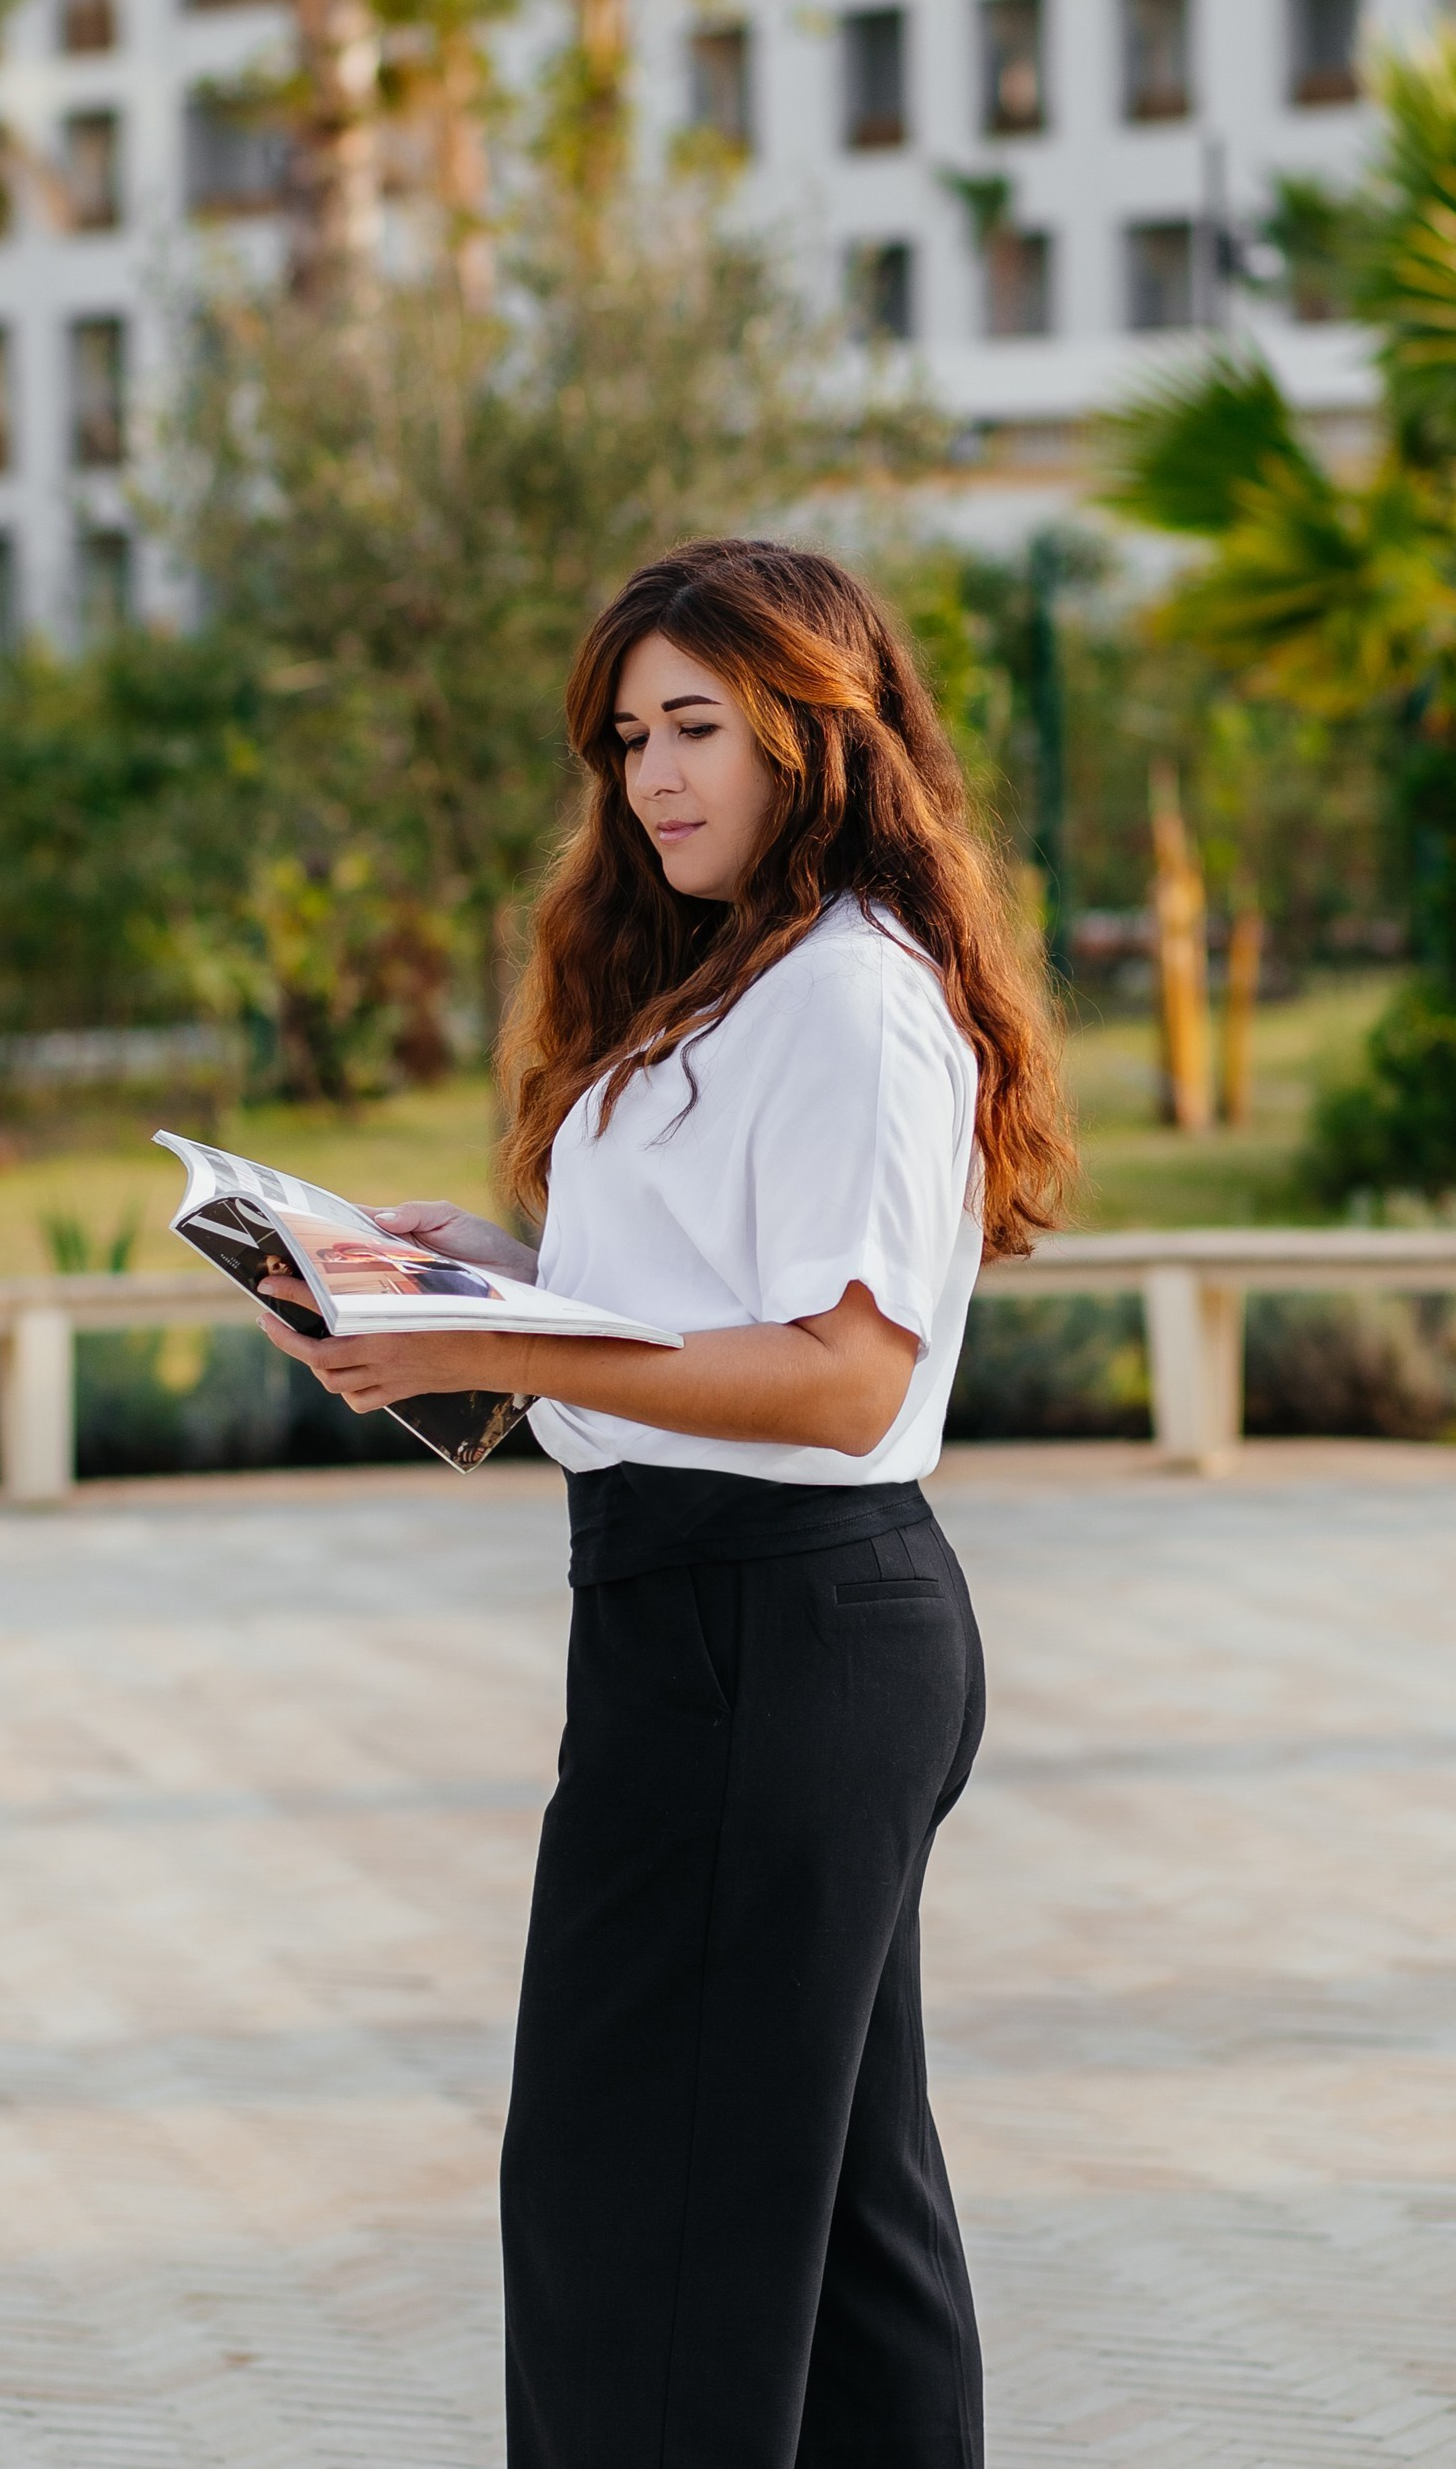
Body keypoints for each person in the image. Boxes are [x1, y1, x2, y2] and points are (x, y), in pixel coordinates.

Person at [257, 538, 1073, 2468]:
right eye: (629, 738)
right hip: (720, 1626)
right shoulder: (748, 977)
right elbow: (715, 1300)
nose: (653, 777)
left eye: (698, 726)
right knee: (838, 2240)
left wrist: (500, 1357)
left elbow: (845, 1375)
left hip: (771, 1629)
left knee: (650, 2223)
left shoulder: (855, 997)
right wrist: (490, 1270)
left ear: (819, 732)